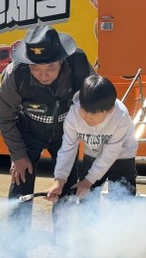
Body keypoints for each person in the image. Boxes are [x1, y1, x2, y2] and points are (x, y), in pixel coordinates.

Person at [0, 25, 94, 258]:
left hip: (66, 134)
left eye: (50, 68)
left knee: (67, 188)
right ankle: (16, 253)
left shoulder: (79, 65)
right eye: (36, 69)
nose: (44, 75)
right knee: (20, 186)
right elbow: (4, 117)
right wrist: (18, 155)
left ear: (62, 59)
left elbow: (96, 101)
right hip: (28, 133)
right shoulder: (14, 74)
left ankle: (62, 250)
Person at [46, 74, 138, 204]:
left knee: (122, 201)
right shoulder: (73, 114)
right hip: (92, 153)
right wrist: (59, 181)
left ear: (110, 110)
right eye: (84, 111)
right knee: (86, 199)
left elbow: (110, 154)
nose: (87, 118)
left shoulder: (120, 116)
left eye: (94, 114)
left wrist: (88, 181)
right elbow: (68, 148)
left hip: (122, 156)